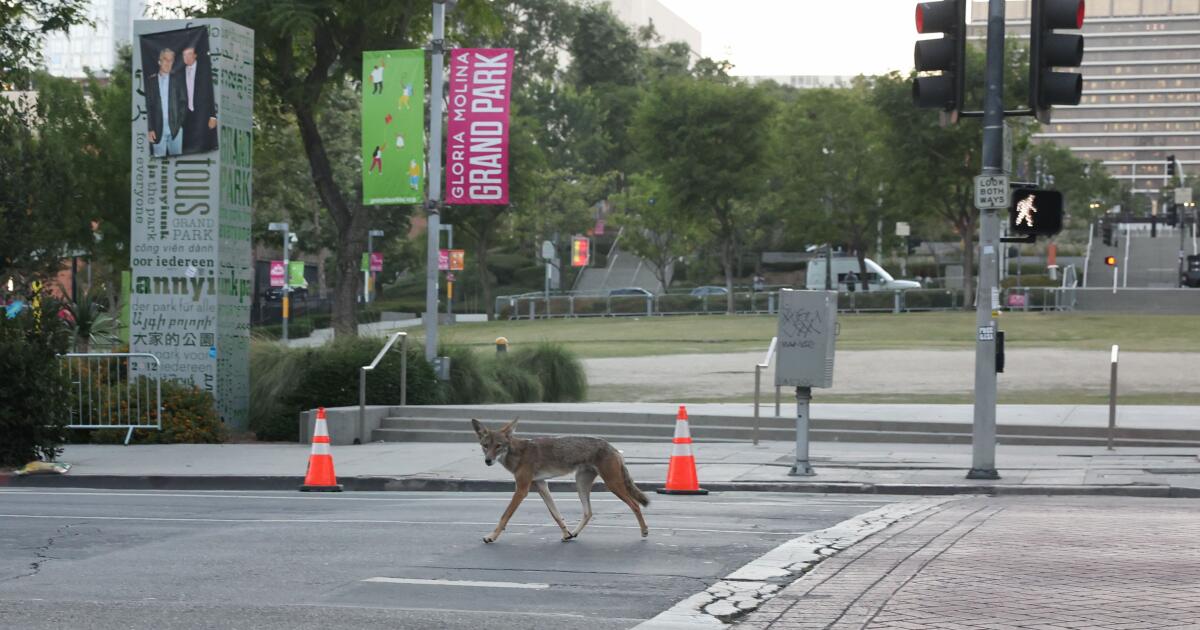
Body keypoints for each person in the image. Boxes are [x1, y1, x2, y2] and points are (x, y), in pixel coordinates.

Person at [145, 48, 186, 157]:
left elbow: (183, 103)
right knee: (158, 161)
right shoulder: (151, 82)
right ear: (159, 61)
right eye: (165, 59)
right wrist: (150, 129)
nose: (168, 63)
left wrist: (179, 123)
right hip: (157, 128)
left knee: (176, 161)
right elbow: (148, 106)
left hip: (175, 128)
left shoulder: (178, 80)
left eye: (171, 60)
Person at [181, 46, 218, 154]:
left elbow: (211, 91)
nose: (187, 57)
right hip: (186, 114)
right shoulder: (180, 72)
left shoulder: (205, 70)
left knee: (204, 144)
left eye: (189, 54)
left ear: (195, 56)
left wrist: (213, 115)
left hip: (203, 112)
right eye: (184, 55)